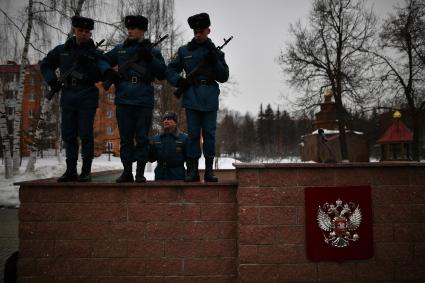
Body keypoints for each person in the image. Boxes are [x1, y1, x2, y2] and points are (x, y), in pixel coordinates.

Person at [40, 16, 109, 182]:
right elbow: (46, 64)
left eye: (87, 31)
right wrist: (52, 81)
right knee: (68, 134)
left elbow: (100, 75)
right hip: (68, 94)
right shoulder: (62, 50)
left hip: (87, 94)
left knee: (86, 134)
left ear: (90, 33)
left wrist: (89, 65)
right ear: (74, 30)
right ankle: (70, 170)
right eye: (80, 30)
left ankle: (86, 171)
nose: (84, 34)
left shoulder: (96, 53)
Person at [102, 15, 166, 183]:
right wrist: (109, 72)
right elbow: (102, 60)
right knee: (125, 140)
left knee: (143, 139)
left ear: (143, 31)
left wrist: (150, 58)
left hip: (143, 101)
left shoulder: (153, 51)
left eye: (134, 28)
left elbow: (162, 73)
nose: (129, 31)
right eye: (128, 28)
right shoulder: (120, 49)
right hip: (123, 100)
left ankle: (140, 173)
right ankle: (127, 172)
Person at [166, 12, 229, 182]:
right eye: (195, 32)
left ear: (209, 30)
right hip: (192, 96)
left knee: (209, 134)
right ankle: (192, 170)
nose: (198, 34)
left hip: (209, 96)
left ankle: (209, 171)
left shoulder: (215, 52)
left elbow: (224, 76)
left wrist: (214, 60)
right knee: (193, 135)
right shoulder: (184, 51)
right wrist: (179, 81)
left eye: (201, 31)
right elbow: (170, 70)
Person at [149, 111, 188, 180]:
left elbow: (189, 160)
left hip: (178, 176)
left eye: (169, 119)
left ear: (175, 123)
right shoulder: (156, 139)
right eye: (164, 119)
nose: (166, 121)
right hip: (160, 176)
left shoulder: (184, 138)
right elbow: (151, 159)